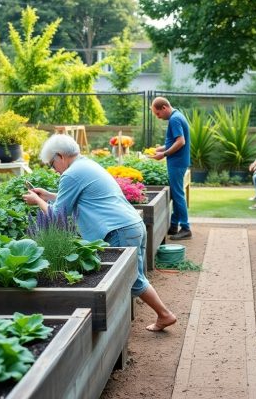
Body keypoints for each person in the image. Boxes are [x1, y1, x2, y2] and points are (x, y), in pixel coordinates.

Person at [23, 134, 177, 332]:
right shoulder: (86, 165)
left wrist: (37, 201)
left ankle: (164, 314)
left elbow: (56, 217)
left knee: (134, 279)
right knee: (136, 276)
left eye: (52, 164)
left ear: (60, 156)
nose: (54, 169)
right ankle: (162, 315)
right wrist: (49, 196)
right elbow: (82, 198)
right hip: (131, 224)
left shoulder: (71, 174)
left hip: (117, 230)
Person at [150, 97, 192, 240]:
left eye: (158, 114)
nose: (158, 117)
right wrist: (159, 149)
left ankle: (185, 228)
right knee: (175, 193)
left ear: (164, 108)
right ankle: (174, 225)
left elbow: (181, 142)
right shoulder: (178, 116)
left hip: (177, 162)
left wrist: (164, 154)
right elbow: (175, 141)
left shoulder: (174, 119)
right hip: (178, 161)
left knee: (178, 195)